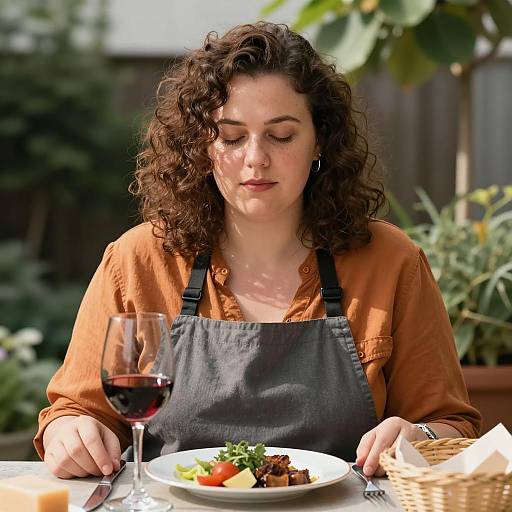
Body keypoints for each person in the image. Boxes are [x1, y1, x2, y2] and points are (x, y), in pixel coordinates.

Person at [35, 22, 481, 480]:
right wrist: (72, 432)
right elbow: (74, 412)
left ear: (319, 140)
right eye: (231, 136)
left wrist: (421, 437)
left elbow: (452, 427)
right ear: (202, 147)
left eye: (281, 135)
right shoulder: (139, 260)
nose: (255, 158)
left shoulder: (391, 260)